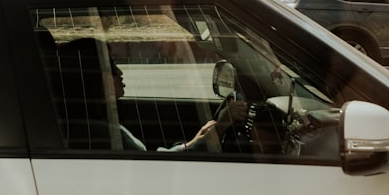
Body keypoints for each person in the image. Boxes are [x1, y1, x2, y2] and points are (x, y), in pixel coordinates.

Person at [52, 37, 245, 152]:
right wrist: (216, 131)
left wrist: (196, 141)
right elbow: (160, 169)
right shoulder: (102, 134)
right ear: (90, 78)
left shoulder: (80, 126)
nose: (119, 72)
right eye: (111, 67)